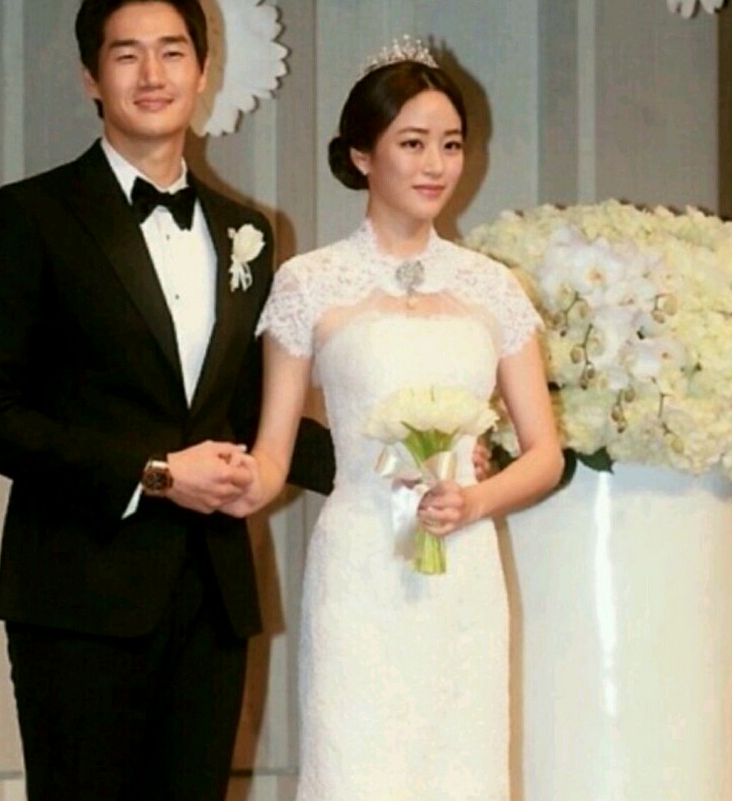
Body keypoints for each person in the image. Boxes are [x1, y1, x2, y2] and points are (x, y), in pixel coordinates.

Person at [0, 0, 334, 801]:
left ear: (203, 69)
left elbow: (245, 405)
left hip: (212, 598)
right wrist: (154, 473)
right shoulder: (26, 217)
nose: (152, 74)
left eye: (172, 52)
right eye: (127, 55)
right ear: (92, 77)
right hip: (77, 596)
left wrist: (391, 461)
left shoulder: (246, 232)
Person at [227, 42, 564, 799]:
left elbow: (544, 453)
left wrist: (474, 500)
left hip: (464, 569)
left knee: (461, 768)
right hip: (358, 565)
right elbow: (275, 451)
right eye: (412, 144)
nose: (435, 165)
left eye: (451, 144)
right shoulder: (308, 283)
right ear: (361, 155)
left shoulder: (493, 287)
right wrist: (234, 482)